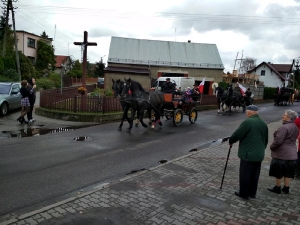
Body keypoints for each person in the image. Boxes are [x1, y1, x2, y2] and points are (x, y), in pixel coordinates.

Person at [229, 105, 268, 200]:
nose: (246, 113)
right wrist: (261, 150)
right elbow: (266, 140)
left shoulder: (248, 122)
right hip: (259, 154)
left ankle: (244, 193)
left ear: (250, 112)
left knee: (245, 174)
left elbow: (238, 134)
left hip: (248, 154)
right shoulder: (263, 123)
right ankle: (252, 193)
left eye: (246, 112)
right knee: (255, 174)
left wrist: (231, 141)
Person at [268, 110, 298, 194]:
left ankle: (277, 188)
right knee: (288, 172)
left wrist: (271, 147)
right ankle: (286, 188)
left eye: (284, 115)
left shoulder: (284, 127)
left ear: (289, 117)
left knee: (279, 171)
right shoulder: (294, 126)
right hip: (292, 153)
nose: (282, 116)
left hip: (282, 153)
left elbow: (278, 141)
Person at [294, 110, 300, 178]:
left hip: (299, 142)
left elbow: (296, 122)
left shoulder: (298, 120)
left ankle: (297, 172)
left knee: (298, 157)